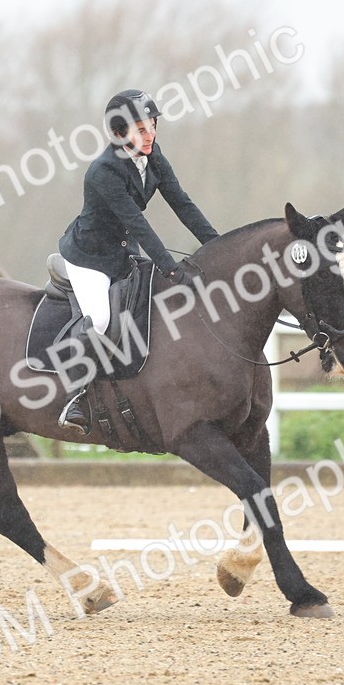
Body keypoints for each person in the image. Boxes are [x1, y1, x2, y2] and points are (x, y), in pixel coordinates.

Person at [56, 89, 220, 434]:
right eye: (142, 130)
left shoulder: (154, 156)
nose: (151, 136)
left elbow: (183, 204)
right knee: (99, 318)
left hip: (123, 250)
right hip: (89, 258)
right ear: (119, 133)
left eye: (153, 126)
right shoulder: (103, 172)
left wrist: (219, 246)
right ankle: (73, 395)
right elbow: (137, 223)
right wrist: (170, 267)